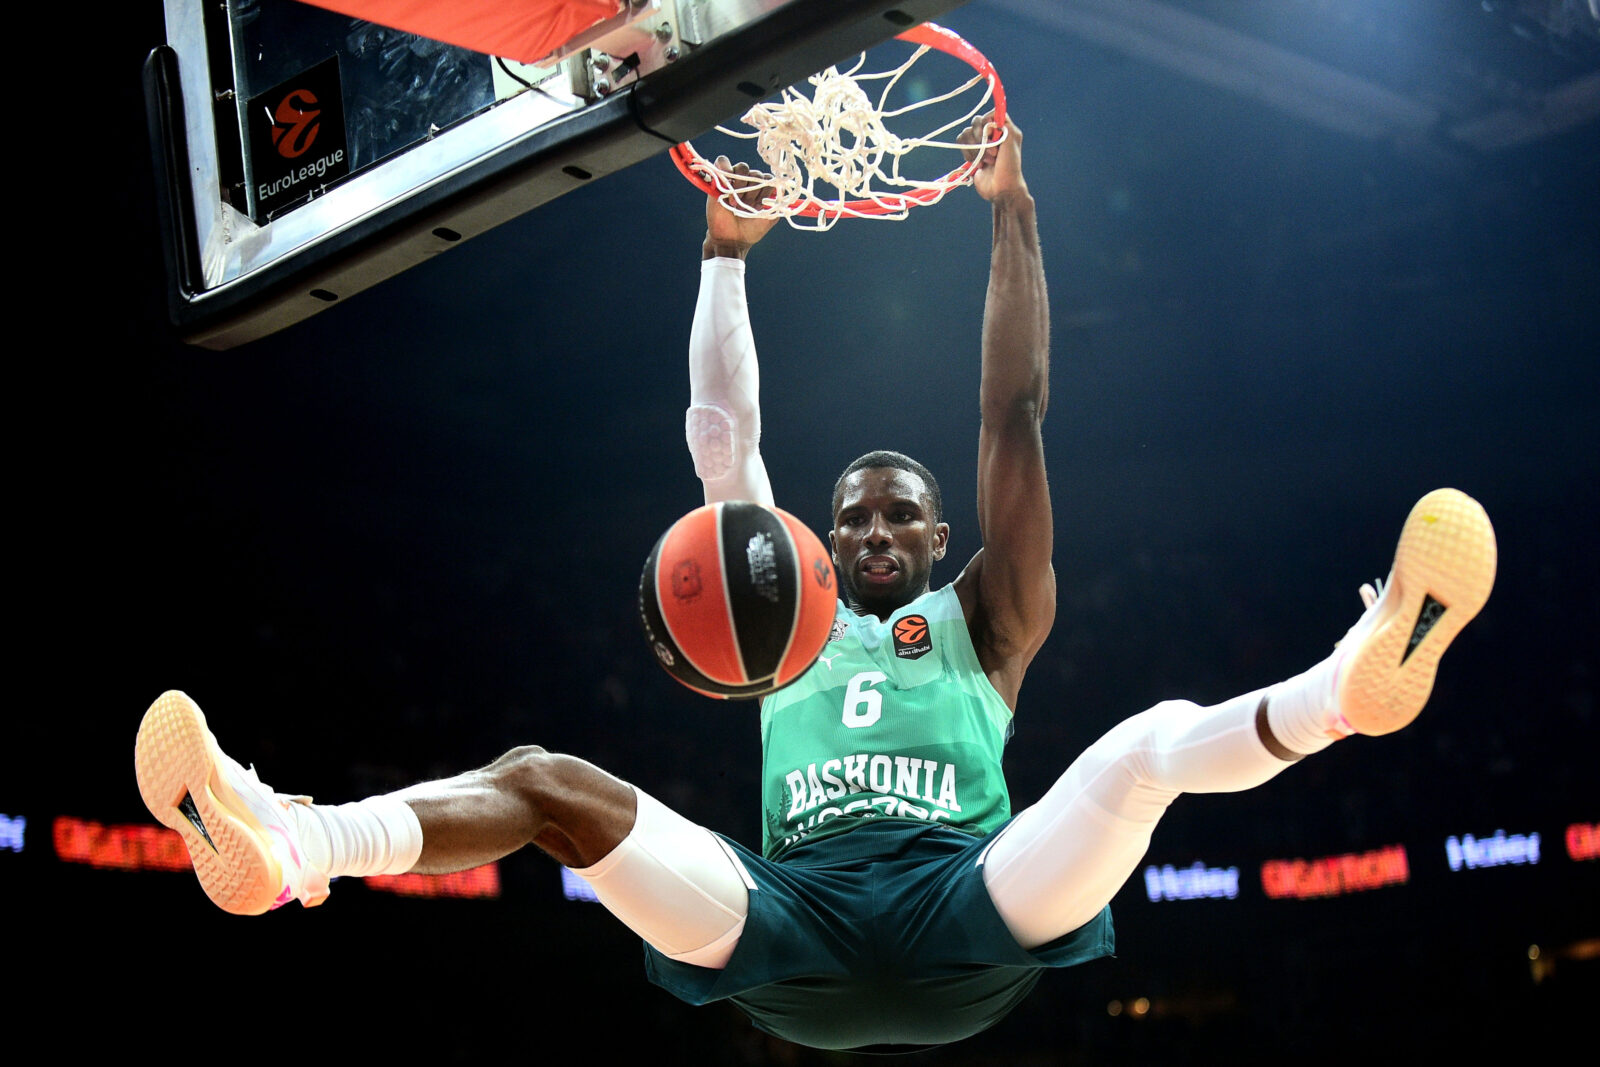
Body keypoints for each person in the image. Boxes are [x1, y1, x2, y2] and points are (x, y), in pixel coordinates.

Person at [134, 113, 1497, 1053]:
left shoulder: (988, 619)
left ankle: (1347, 681)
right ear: (825, 543)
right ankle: (293, 846)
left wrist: (1013, 214)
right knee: (546, 781)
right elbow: (724, 450)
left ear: (943, 533)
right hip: (786, 925)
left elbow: (1014, 413)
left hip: (972, 902)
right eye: (852, 521)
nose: (875, 532)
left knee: (1143, 751)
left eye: (902, 515)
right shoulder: (781, 623)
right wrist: (724, 255)